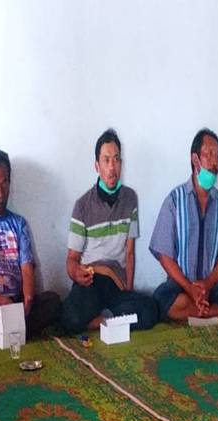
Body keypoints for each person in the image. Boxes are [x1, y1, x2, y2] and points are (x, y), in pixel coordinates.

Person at [150, 128, 218, 320]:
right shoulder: (175, 200)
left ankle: (197, 309)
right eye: (209, 154)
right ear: (195, 159)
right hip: (181, 285)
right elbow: (164, 255)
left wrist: (207, 284)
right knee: (161, 301)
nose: (215, 162)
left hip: (215, 284)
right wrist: (189, 288)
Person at [60, 129, 158, 333]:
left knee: (150, 309)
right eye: (106, 160)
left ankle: (103, 320)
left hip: (116, 285)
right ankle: (114, 320)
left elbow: (129, 252)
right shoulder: (82, 206)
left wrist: (128, 290)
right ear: (97, 166)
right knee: (68, 315)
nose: (112, 167)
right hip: (91, 281)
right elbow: (71, 259)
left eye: (116, 159)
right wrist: (76, 274)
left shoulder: (130, 199)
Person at [0, 147, 61, 345]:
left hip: (17, 301)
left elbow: (27, 268)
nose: (0, 193)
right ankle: (16, 334)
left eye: (5, 184)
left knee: (53, 301)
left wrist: (28, 299)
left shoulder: (19, 223)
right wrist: (1, 302)